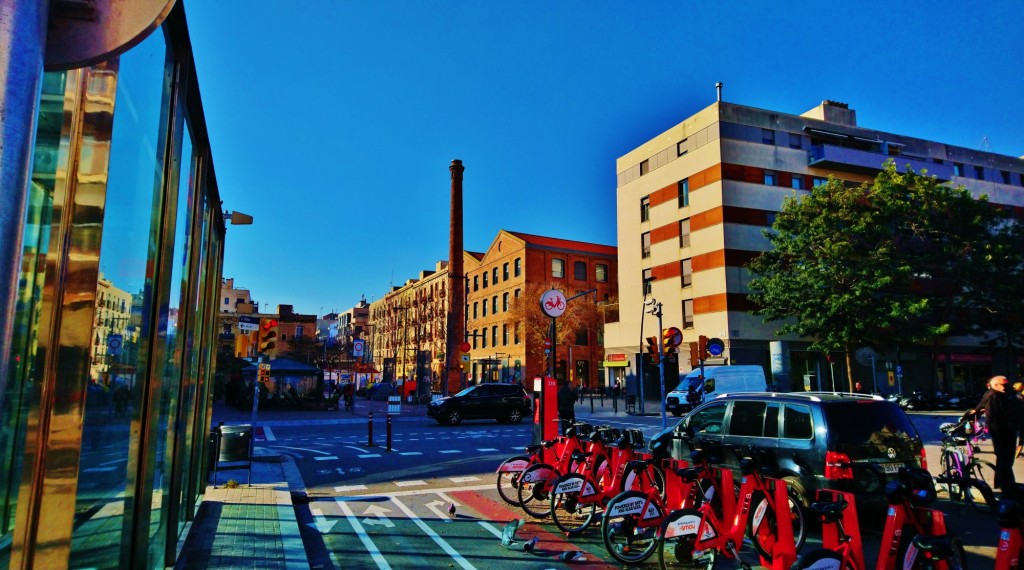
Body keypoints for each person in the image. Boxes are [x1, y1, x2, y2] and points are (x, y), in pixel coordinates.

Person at [969, 375, 1022, 492]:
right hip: (1002, 432)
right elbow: (991, 416)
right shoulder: (993, 395)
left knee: (1004, 460)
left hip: (1008, 430)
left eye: (1008, 384)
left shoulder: (1005, 395)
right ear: (995, 385)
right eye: (1005, 385)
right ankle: (1008, 487)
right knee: (1005, 460)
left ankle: (1001, 484)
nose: (1007, 387)